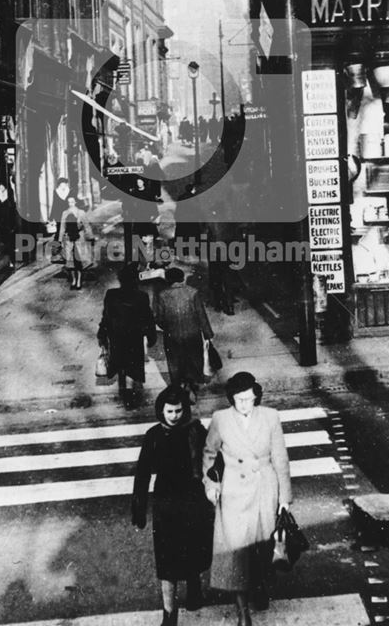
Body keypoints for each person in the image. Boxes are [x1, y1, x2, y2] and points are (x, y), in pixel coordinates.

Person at [203, 371, 292, 626]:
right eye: (239, 399)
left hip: (265, 487)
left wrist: (284, 496)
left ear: (256, 397)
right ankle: (243, 612)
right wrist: (211, 484)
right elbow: (209, 453)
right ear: (231, 398)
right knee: (236, 553)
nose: (244, 405)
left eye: (249, 399)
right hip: (234, 492)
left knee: (263, 547)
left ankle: (260, 584)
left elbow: (280, 457)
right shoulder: (220, 419)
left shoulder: (271, 417)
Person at [132, 386, 214, 625]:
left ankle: (194, 589)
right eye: (170, 411)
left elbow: (211, 458)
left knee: (192, 549)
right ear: (161, 410)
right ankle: (169, 612)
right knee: (167, 560)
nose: (175, 415)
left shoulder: (195, 431)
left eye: (178, 410)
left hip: (192, 500)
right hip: (166, 504)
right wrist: (139, 505)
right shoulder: (154, 435)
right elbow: (143, 471)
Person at [97, 263, 157, 406]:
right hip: (134, 337)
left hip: (116, 336)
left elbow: (106, 316)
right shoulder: (141, 296)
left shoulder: (111, 294)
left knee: (120, 363)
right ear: (136, 280)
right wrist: (151, 336)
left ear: (120, 280)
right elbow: (148, 318)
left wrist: (102, 334)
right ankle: (129, 395)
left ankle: (125, 391)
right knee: (131, 365)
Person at [154, 266, 213, 401]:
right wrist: (208, 334)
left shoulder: (163, 295)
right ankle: (192, 384)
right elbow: (201, 315)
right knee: (194, 359)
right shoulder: (193, 293)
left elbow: (159, 318)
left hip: (172, 335)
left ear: (168, 280)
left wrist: (168, 327)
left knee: (175, 362)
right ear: (182, 279)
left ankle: (178, 386)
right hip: (193, 334)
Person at [58, 195, 94, 289]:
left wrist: (90, 237)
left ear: (75, 202)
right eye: (69, 202)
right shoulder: (64, 213)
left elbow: (86, 225)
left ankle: (79, 281)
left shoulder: (81, 213)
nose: (71, 204)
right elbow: (62, 227)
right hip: (69, 239)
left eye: (72, 202)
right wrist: (60, 240)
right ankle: (74, 280)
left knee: (79, 261)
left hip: (79, 239)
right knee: (70, 262)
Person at [48, 177, 70, 263]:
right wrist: (51, 216)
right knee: (58, 234)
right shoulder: (56, 192)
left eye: (64, 184)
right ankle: (55, 253)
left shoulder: (70, 192)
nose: (63, 186)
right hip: (59, 216)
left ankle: (66, 254)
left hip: (68, 216)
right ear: (59, 185)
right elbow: (54, 204)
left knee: (67, 234)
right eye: (61, 184)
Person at [0, 182, 15, 268]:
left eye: (2, 185)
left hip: (7, 216)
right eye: (0, 186)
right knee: (1, 234)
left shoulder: (9, 192)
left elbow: (11, 204)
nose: (1, 187)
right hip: (0, 217)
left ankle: (9, 253)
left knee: (8, 235)